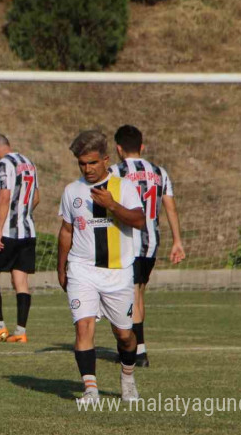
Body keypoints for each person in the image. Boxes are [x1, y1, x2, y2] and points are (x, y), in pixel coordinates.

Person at [57, 130, 146, 404]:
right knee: (83, 327)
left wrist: (112, 205)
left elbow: (140, 221)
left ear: (106, 159)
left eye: (92, 163)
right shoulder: (72, 191)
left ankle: (128, 378)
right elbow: (66, 231)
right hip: (82, 270)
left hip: (118, 273)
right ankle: (90, 390)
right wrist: (61, 268)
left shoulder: (125, 187)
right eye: (82, 164)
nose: (87, 169)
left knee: (124, 335)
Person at [110, 125, 186, 367]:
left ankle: (138, 352)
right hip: (151, 242)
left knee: (130, 296)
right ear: (142, 147)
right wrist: (177, 241)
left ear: (118, 149)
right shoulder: (159, 172)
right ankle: (135, 348)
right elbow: (170, 206)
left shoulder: (115, 171)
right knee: (138, 293)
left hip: (127, 243)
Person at [0, 134, 39, 344]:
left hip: (10, 233)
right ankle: (20, 332)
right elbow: (36, 197)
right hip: (28, 232)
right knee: (20, 280)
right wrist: (23, 214)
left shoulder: (3, 164)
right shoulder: (28, 162)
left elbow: (4, 195)